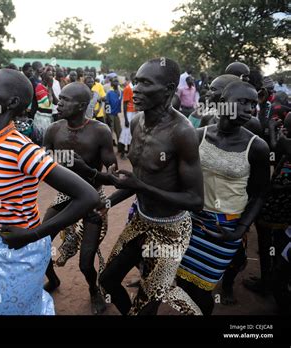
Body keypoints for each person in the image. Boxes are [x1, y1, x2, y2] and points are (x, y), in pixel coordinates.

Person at [0, 69, 99, 315]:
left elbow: (88, 196)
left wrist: (33, 235)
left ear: (12, 102)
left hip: (22, 253)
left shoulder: (22, 150)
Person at [98, 58, 204, 316]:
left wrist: (141, 187)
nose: (137, 89)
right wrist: (107, 202)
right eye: (136, 81)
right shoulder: (137, 123)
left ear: (168, 90)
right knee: (108, 280)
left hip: (171, 230)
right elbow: (139, 179)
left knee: (147, 306)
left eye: (146, 83)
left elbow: (195, 200)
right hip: (141, 220)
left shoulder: (182, 132)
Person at [176, 81, 270, 315]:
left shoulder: (257, 146)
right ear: (221, 104)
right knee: (184, 284)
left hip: (224, 227)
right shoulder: (197, 136)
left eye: (252, 103)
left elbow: (260, 193)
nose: (251, 108)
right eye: (243, 102)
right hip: (190, 222)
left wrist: (240, 230)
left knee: (203, 289)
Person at [42, 82, 117, 314]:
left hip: (94, 198)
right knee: (41, 244)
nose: (58, 102)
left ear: (83, 105)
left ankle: (94, 291)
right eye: (59, 98)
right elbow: (40, 165)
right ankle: (53, 280)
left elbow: (112, 176)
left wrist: (86, 170)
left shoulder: (100, 131)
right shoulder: (53, 130)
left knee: (86, 262)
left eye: (65, 99)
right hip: (66, 196)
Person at [242, 113, 291, 302]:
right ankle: (270, 279)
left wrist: (271, 129)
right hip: (280, 209)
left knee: (268, 244)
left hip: (275, 209)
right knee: (276, 245)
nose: (284, 132)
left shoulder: (286, 145)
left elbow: (277, 146)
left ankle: (269, 283)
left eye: (287, 129)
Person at [31, 66, 57, 145]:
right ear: (44, 76)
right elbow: (47, 104)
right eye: (49, 74)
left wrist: (50, 88)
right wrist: (50, 88)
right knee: (41, 142)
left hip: (48, 118)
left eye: (52, 74)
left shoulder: (48, 87)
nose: (51, 76)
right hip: (41, 119)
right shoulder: (39, 87)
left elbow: (56, 102)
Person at [119, 73, 136, 159]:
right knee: (125, 133)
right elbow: (125, 104)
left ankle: (129, 152)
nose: (136, 79)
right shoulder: (128, 88)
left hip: (135, 113)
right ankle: (122, 153)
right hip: (129, 113)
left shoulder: (136, 88)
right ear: (131, 78)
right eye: (135, 78)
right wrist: (126, 119)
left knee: (132, 133)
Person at [105, 77, 123, 146]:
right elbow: (107, 104)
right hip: (110, 114)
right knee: (110, 131)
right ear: (111, 83)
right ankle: (108, 147)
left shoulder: (120, 92)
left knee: (119, 130)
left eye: (117, 81)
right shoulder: (109, 92)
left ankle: (120, 146)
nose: (116, 83)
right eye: (114, 81)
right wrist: (108, 116)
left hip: (116, 114)